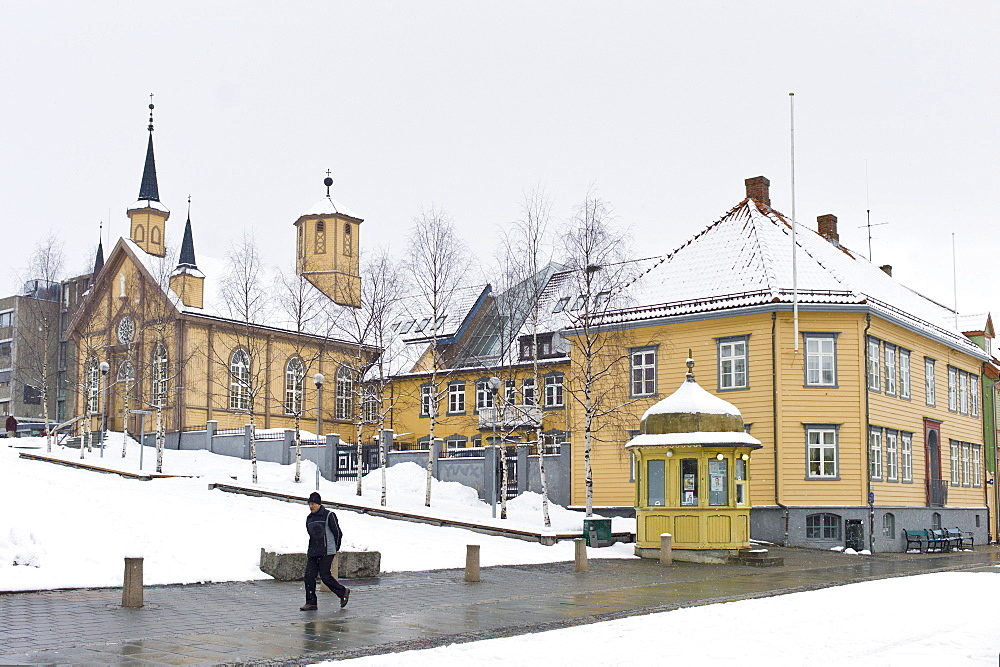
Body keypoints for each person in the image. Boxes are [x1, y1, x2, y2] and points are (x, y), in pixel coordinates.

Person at [300, 491, 350, 611]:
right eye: (309, 504)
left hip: (327, 551)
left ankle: (343, 592)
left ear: (319, 504)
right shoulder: (309, 518)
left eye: (313, 504)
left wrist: (334, 548)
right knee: (309, 576)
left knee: (325, 576)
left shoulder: (329, 515)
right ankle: (311, 602)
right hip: (313, 551)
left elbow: (338, 533)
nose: (311, 506)